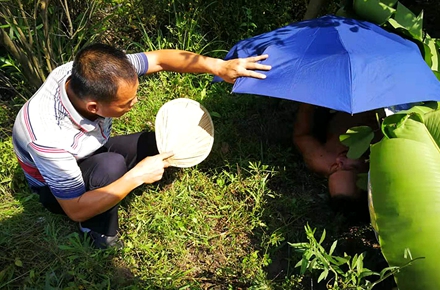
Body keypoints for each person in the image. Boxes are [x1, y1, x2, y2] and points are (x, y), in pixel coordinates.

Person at [12, 43, 271, 249]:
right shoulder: (48, 138)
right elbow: (75, 209)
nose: (135, 103)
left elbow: (159, 59)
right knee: (110, 165)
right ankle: (98, 231)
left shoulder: (93, 73)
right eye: (126, 103)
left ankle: (114, 179)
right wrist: (136, 177)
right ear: (94, 107)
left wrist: (218, 66)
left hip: (86, 148)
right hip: (56, 189)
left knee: (152, 143)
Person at [293, 103, 382, 211]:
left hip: (341, 106)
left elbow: (301, 136)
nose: (339, 159)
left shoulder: (322, 159)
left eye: (333, 168)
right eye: (350, 167)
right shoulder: (383, 148)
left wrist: (307, 104)